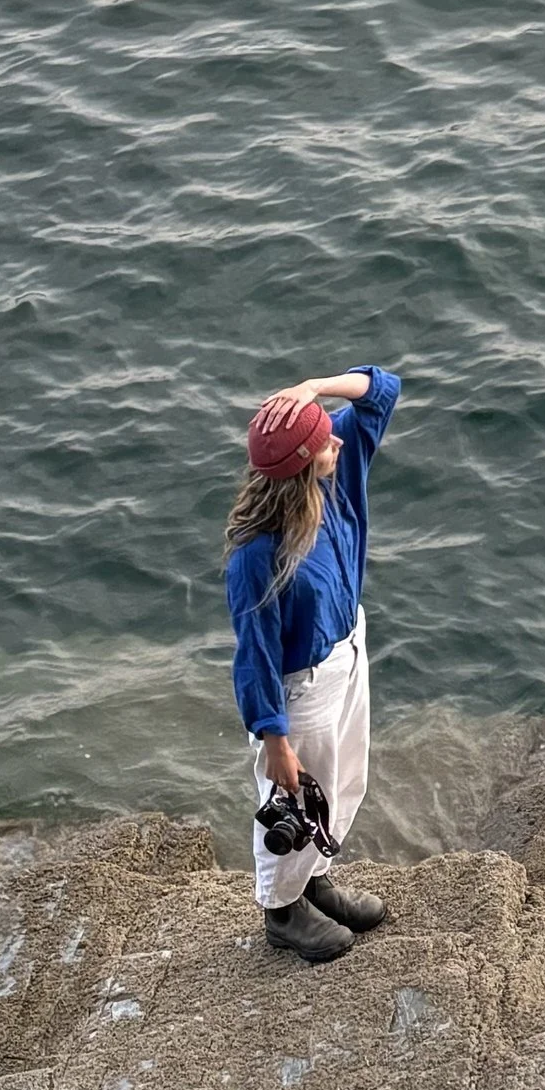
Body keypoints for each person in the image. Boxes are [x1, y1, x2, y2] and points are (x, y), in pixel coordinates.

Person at [223, 362, 401, 962]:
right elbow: (256, 655)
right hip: (303, 688)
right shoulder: (258, 554)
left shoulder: (337, 477)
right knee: (294, 799)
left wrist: (314, 389)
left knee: (345, 780)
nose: (339, 439)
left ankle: (313, 880)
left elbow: (383, 389)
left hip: (350, 651)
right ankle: (281, 910)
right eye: (324, 436)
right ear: (301, 462)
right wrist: (273, 738)